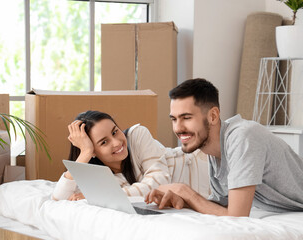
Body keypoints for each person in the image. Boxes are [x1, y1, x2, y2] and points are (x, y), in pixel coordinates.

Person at [145, 78, 303, 216]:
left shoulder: (243, 137)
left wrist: (185, 191)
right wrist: (180, 200)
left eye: (186, 118)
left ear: (213, 116)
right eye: (174, 119)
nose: (178, 128)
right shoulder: (215, 153)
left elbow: (237, 216)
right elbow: (221, 207)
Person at [52, 110, 209, 201]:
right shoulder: (100, 176)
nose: (116, 142)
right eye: (104, 142)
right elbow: (58, 199)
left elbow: (158, 184)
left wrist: (104, 196)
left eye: (115, 132)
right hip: (206, 196)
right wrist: (85, 152)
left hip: (205, 165)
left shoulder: (137, 135)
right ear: (93, 151)